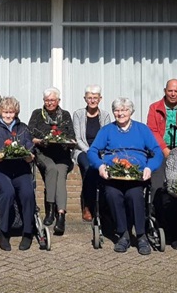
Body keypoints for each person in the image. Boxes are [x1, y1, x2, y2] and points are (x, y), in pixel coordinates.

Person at [89, 97, 164, 255]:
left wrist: (149, 168)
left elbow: (157, 152)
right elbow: (93, 151)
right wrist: (101, 166)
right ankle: (123, 234)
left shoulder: (142, 129)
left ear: (131, 112)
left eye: (124, 110)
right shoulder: (107, 130)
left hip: (136, 176)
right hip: (113, 175)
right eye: (117, 110)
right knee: (112, 194)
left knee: (135, 195)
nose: (120, 113)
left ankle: (141, 235)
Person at [0, 96, 36, 251]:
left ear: (16, 113)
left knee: (28, 192)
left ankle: (28, 232)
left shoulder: (22, 128)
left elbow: (29, 145)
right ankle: (4, 232)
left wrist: (30, 154)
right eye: (5, 112)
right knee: (7, 190)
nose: (9, 115)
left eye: (11, 112)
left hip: (19, 169)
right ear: (0, 112)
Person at [28, 87, 75, 235]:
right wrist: (40, 141)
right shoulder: (37, 114)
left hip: (62, 153)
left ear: (58, 101)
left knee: (60, 173)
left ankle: (60, 215)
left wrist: (65, 141)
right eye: (47, 100)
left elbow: (72, 137)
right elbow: (29, 135)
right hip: (44, 152)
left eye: (52, 100)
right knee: (52, 169)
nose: (49, 103)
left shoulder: (65, 115)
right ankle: (50, 210)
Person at [72, 85, 112, 222]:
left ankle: (103, 207)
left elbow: (107, 137)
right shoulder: (78, 114)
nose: (92, 100)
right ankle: (88, 206)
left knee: (105, 170)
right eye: (89, 98)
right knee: (89, 168)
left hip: (101, 151)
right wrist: (90, 151)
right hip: (83, 150)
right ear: (85, 99)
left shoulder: (106, 115)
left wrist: (99, 152)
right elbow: (77, 138)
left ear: (100, 99)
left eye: (95, 98)